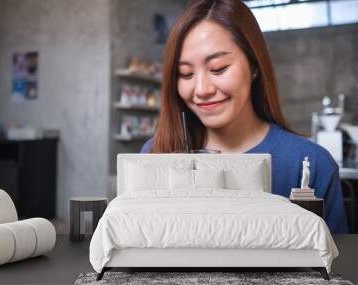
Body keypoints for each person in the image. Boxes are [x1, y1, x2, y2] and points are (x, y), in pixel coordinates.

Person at [139, 0, 348, 233]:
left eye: (218, 68)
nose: (201, 89)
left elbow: (334, 264)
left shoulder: (310, 163)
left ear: (255, 66)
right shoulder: (156, 154)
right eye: (186, 74)